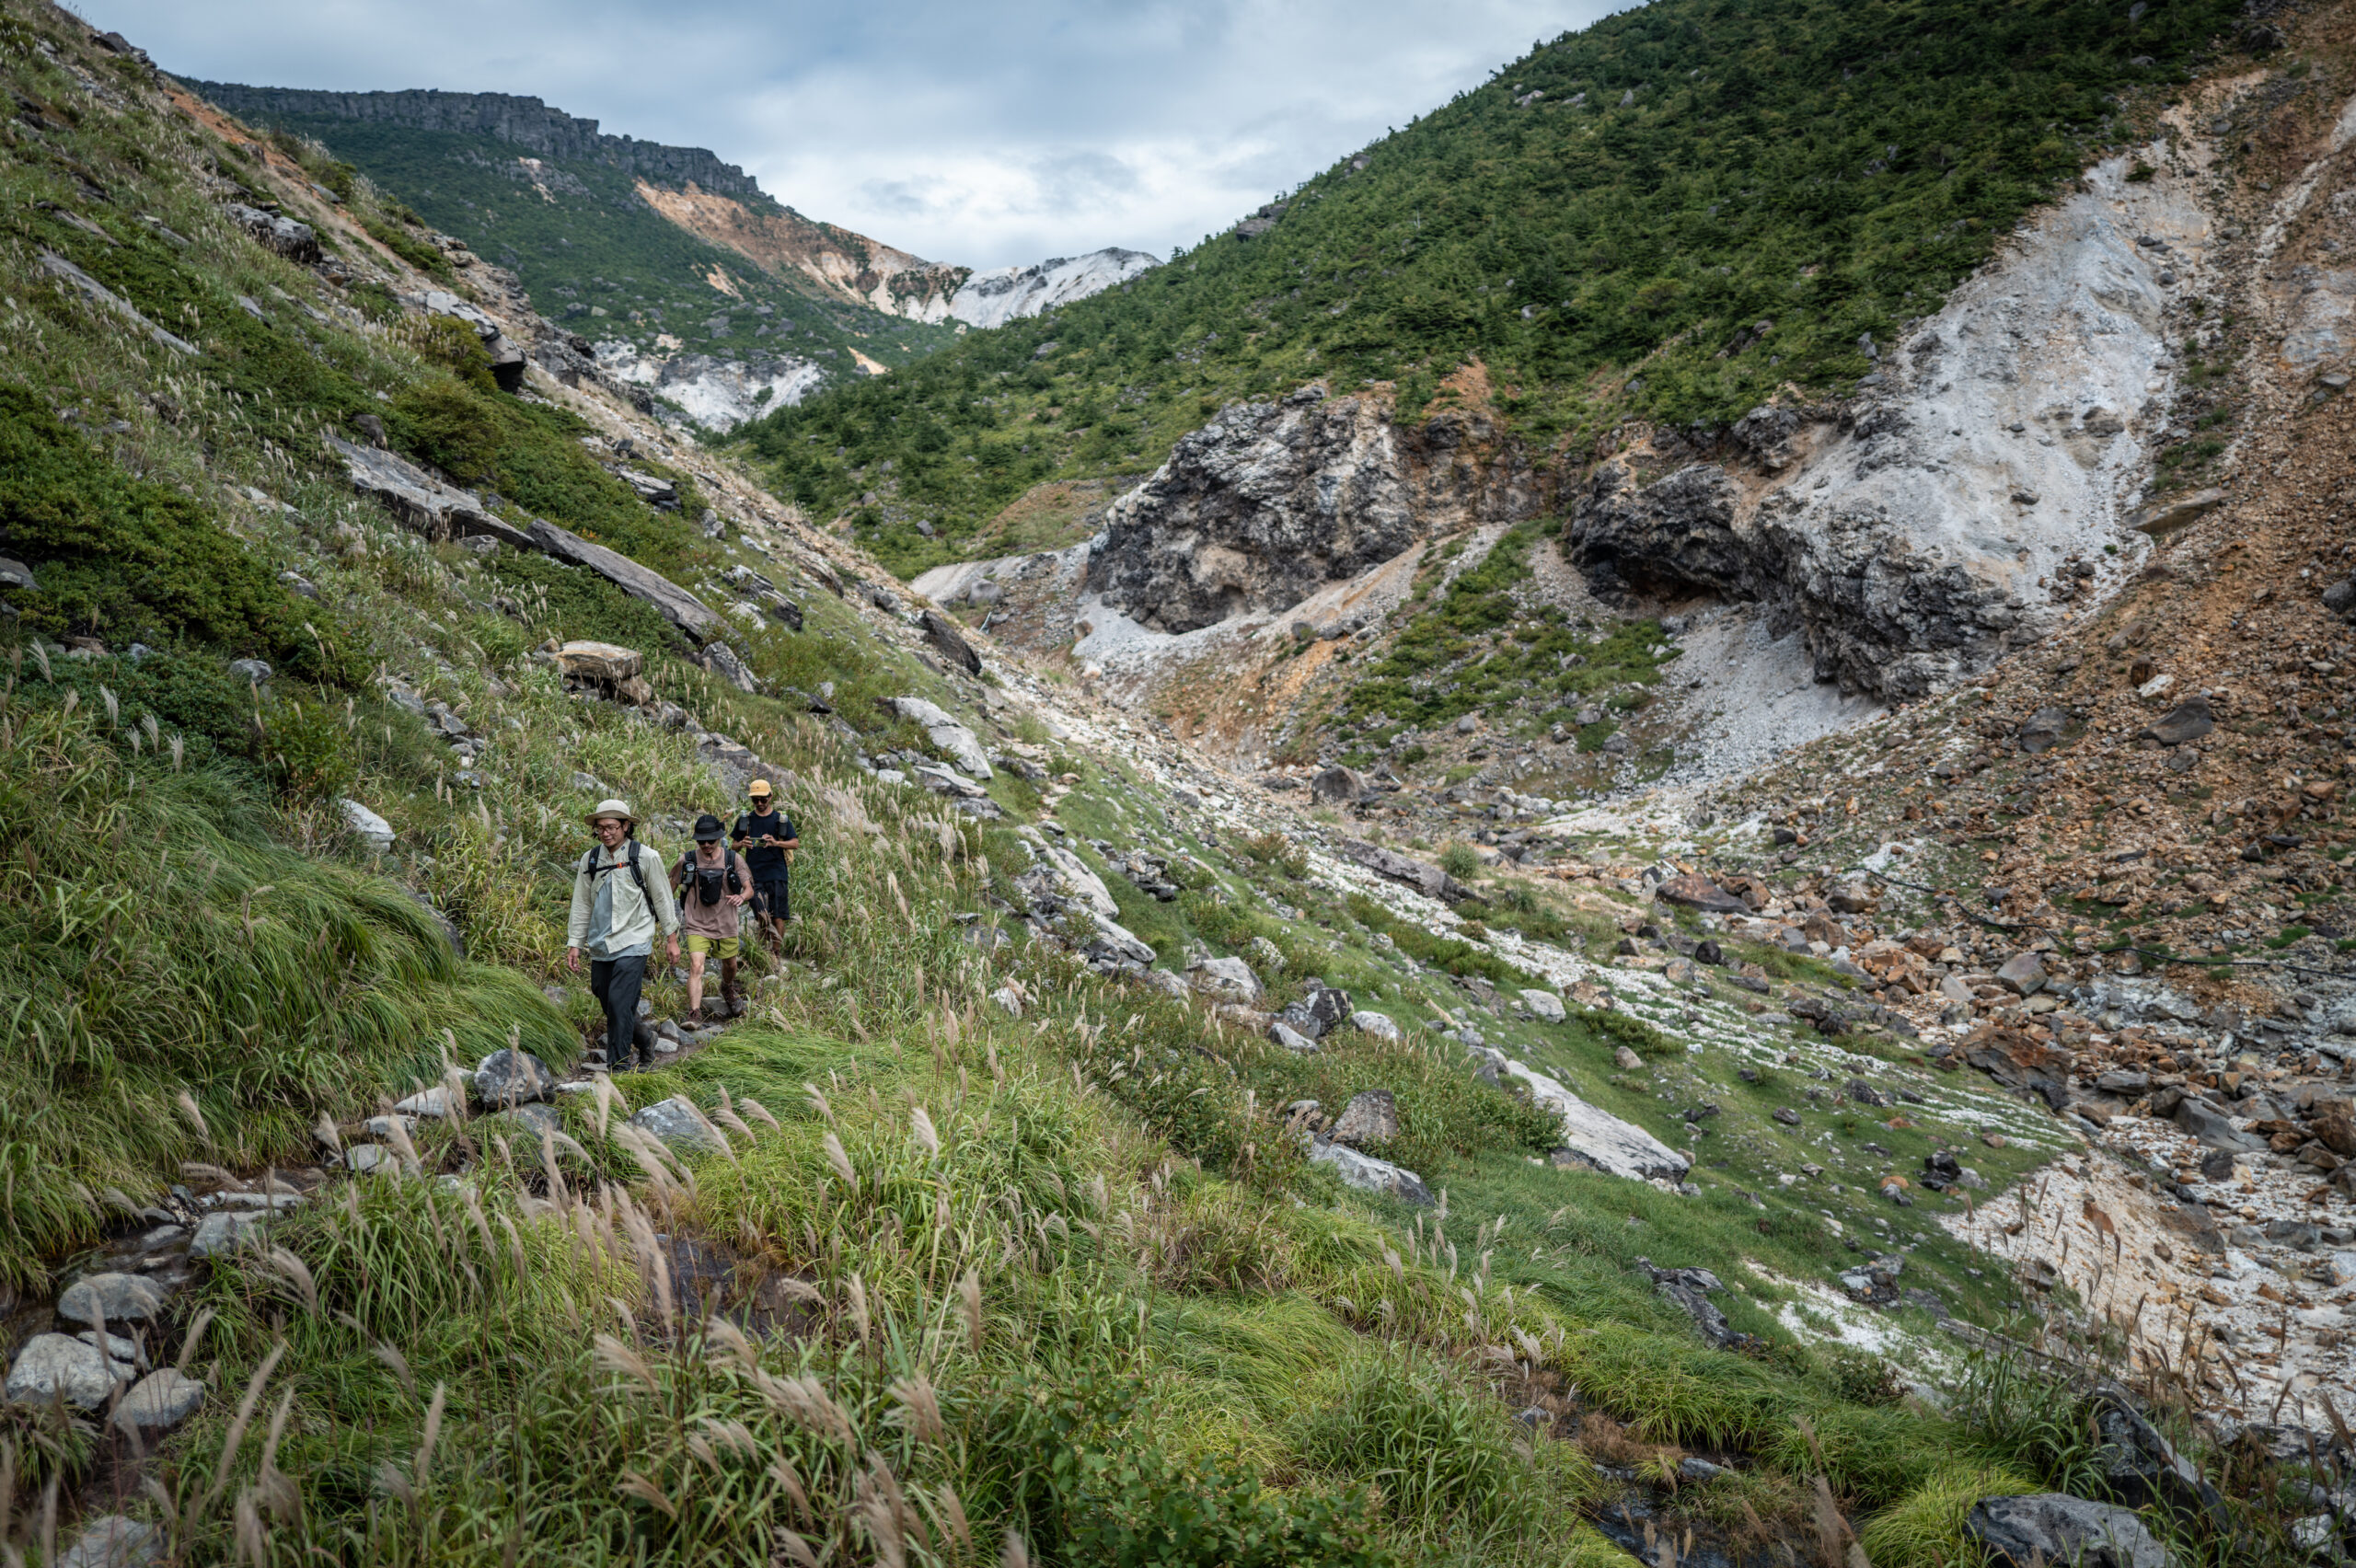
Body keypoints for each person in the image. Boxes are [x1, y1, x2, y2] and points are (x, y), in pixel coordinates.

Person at [565, 799, 680, 1074]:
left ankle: (618, 1069)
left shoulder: (645, 857)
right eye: (601, 828)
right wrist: (574, 943)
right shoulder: (590, 860)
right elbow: (581, 904)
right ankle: (645, 1038)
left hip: (634, 940)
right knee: (606, 997)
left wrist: (671, 938)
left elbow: (663, 899)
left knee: (618, 1001)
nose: (606, 833)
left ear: (626, 826)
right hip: (601, 943)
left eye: (612, 827)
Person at [672, 813, 752, 1024]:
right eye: (701, 841)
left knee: (731, 966)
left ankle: (727, 987)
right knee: (696, 966)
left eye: (711, 841)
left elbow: (749, 888)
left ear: (719, 838)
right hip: (697, 923)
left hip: (726, 923)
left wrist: (741, 897)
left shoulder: (733, 859)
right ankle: (694, 1013)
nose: (706, 845)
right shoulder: (687, 860)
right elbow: (669, 886)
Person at [731, 780, 798, 950]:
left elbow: (795, 843)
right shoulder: (746, 819)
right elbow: (733, 846)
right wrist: (743, 843)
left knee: (778, 917)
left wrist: (776, 843)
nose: (759, 804)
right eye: (755, 800)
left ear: (770, 796)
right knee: (762, 915)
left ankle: (775, 954)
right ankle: (762, 951)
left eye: (763, 799)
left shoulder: (780, 820)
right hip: (754, 875)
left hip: (777, 873)